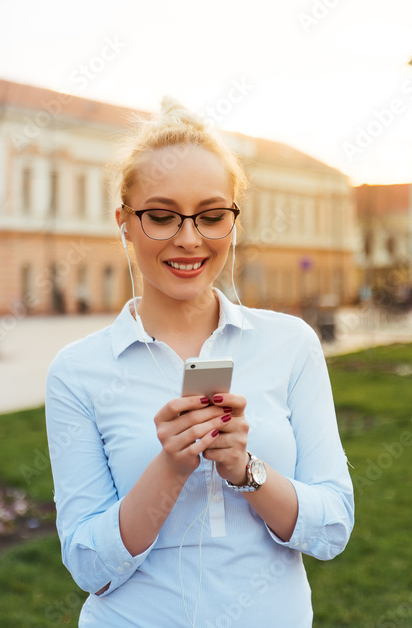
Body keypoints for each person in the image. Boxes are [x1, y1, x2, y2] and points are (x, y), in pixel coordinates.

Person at [44, 98, 354, 627]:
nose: (189, 239)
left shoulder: (291, 345)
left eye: (211, 216)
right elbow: (89, 566)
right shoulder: (78, 373)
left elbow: (332, 530)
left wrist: (245, 469)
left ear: (233, 221)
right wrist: (169, 467)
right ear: (124, 222)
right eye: (161, 217)